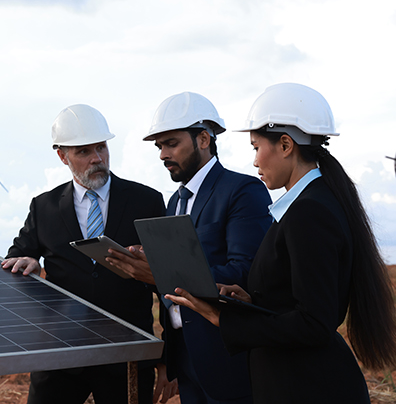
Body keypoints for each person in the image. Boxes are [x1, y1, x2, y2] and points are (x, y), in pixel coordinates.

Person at [165, 83, 396, 404]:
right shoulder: (313, 204)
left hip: (307, 386)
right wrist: (250, 299)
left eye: (256, 147)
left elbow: (313, 323)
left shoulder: (309, 212)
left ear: (286, 145)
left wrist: (225, 319)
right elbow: (299, 300)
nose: (256, 161)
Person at [107, 92, 272, 404]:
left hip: (227, 358)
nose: (162, 154)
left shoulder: (242, 191)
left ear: (204, 139)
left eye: (171, 143)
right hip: (186, 358)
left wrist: (160, 272)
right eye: (159, 146)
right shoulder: (174, 202)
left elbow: (245, 272)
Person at [3, 104, 165, 404]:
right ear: (62, 156)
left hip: (127, 357)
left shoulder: (148, 202)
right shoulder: (44, 207)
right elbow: (19, 256)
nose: (97, 158)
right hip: (60, 358)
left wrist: (169, 355)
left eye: (101, 147)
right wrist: (27, 262)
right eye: (83, 151)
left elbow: (168, 281)